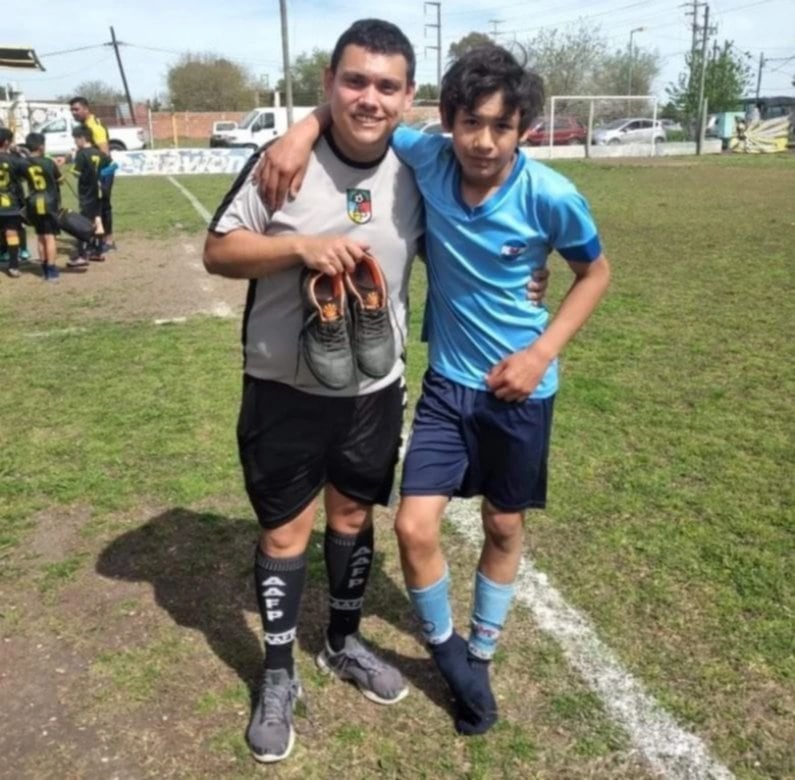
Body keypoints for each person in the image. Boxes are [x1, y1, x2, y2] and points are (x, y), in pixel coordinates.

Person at [260, 43, 610, 737]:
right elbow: (361, 112)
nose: (482, 142)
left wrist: (540, 353)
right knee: (413, 525)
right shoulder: (428, 157)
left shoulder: (551, 195)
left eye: (501, 127)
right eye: (469, 122)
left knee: (503, 525)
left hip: (521, 394)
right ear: (447, 119)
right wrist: (299, 130)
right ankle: (450, 653)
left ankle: (482, 647)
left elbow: (593, 274)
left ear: (524, 131)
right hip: (449, 386)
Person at [203, 19, 423, 765]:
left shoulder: (419, 167)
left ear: (408, 96)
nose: (369, 97)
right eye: (354, 81)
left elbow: (485, 211)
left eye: (386, 85)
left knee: (354, 512)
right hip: (283, 387)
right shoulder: (280, 165)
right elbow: (218, 251)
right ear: (329, 85)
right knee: (283, 533)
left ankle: (344, 640)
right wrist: (298, 246)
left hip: (373, 387)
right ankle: (275, 673)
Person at [69, 96, 116, 251]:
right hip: (94, 172)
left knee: (102, 206)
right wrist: (68, 157)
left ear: (86, 109)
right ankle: (94, 238)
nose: (73, 113)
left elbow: (104, 153)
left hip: (101, 172)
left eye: (76, 109)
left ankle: (107, 241)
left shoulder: (94, 127)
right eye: (72, 110)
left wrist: (100, 177)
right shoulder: (84, 126)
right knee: (90, 206)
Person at [22, 132, 63, 281]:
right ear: (41, 146)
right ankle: (52, 270)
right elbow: (61, 180)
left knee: (40, 236)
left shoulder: (24, 163)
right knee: (50, 236)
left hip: (33, 201)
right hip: (48, 201)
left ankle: (44, 268)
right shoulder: (48, 162)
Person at [71, 126, 112, 266]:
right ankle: (98, 252)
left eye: (75, 139)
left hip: (86, 193)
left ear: (82, 138)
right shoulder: (100, 154)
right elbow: (111, 166)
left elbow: (76, 173)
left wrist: (72, 158)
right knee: (98, 220)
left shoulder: (81, 154)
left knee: (83, 223)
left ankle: (82, 255)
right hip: (99, 192)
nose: (75, 142)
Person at [0, 128, 28, 278]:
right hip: (10, 203)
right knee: (11, 232)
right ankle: (13, 266)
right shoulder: (14, 159)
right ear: (6, 142)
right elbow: (28, 171)